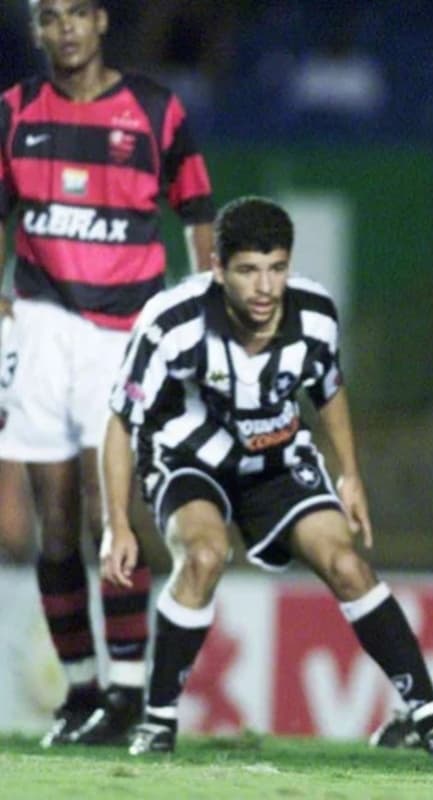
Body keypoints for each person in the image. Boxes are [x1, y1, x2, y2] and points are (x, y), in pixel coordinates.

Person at [98, 196, 433, 759]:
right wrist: (116, 523)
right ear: (217, 269)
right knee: (203, 557)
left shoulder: (316, 314)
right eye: (248, 271)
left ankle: (426, 715)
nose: (264, 287)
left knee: (347, 562)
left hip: (276, 459)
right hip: (189, 460)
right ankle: (157, 720)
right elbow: (119, 423)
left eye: (276, 268)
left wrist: (350, 476)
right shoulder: (171, 323)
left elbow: (329, 392)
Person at [0, 0, 215, 747]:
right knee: (53, 526)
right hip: (39, 326)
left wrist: (203, 312)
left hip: (123, 335)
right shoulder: (14, 112)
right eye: (49, 16)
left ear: (100, 23)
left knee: (109, 513)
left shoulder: (155, 110)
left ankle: (127, 691)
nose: (65, 29)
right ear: (38, 30)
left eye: (78, 14)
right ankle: (81, 690)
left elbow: (197, 213)